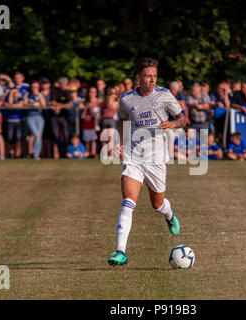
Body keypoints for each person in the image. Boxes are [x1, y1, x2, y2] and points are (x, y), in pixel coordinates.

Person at [108, 58, 186, 266]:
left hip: (156, 159)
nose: (152, 80)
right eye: (148, 76)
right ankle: (120, 252)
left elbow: (182, 118)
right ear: (138, 77)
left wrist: (173, 123)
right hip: (134, 157)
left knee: (157, 204)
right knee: (128, 201)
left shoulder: (164, 95)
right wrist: (122, 142)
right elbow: (123, 119)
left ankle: (169, 215)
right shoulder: (126, 99)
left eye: (154, 76)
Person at [6, 72, 29, 158]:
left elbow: (23, 102)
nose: (17, 79)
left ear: (23, 78)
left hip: (21, 117)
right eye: (16, 78)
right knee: (10, 137)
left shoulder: (27, 87)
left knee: (20, 137)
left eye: (19, 77)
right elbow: (9, 102)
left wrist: (13, 106)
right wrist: (12, 93)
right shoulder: (10, 88)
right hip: (10, 117)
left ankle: (19, 154)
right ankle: (11, 153)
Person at [24, 81, 46, 159]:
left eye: (36, 87)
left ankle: (36, 154)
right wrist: (32, 105)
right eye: (33, 87)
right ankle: (32, 152)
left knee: (39, 136)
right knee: (36, 134)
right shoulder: (28, 94)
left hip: (39, 117)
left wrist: (39, 96)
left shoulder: (40, 95)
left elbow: (44, 104)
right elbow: (24, 103)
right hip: (30, 117)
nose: (34, 88)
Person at [51, 77, 72, 159]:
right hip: (55, 117)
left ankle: (65, 153)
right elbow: (53, 102)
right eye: (62, 84)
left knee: (66, 136)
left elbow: (70, 104)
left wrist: (60, 106)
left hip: (64, 117)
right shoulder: (54, 91)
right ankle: (56, 154)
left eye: (65, 84)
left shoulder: (67, 92)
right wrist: (62, 105)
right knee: (55, 136)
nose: (63, 86)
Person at [100, 87, 119, 156]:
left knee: (104, 139)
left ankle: (104, 155)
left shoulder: (103, 101)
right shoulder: (113, 102)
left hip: (104, 119)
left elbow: (101, 111)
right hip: (111, 119)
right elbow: (115, 111)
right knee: (111, 139)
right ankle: (110, 155)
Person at [81, 87, 99, 158]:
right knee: (87, 140)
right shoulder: (85, 102)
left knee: (93, 139)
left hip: (94, 124)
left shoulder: (98, 101)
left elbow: (94, 115)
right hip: (86, 125)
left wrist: (90, 108)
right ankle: (87, 153)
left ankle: (93, 153)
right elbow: (82, 116)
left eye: (93, 92)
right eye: (90, 92)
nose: (91, 94)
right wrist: (86, 108)